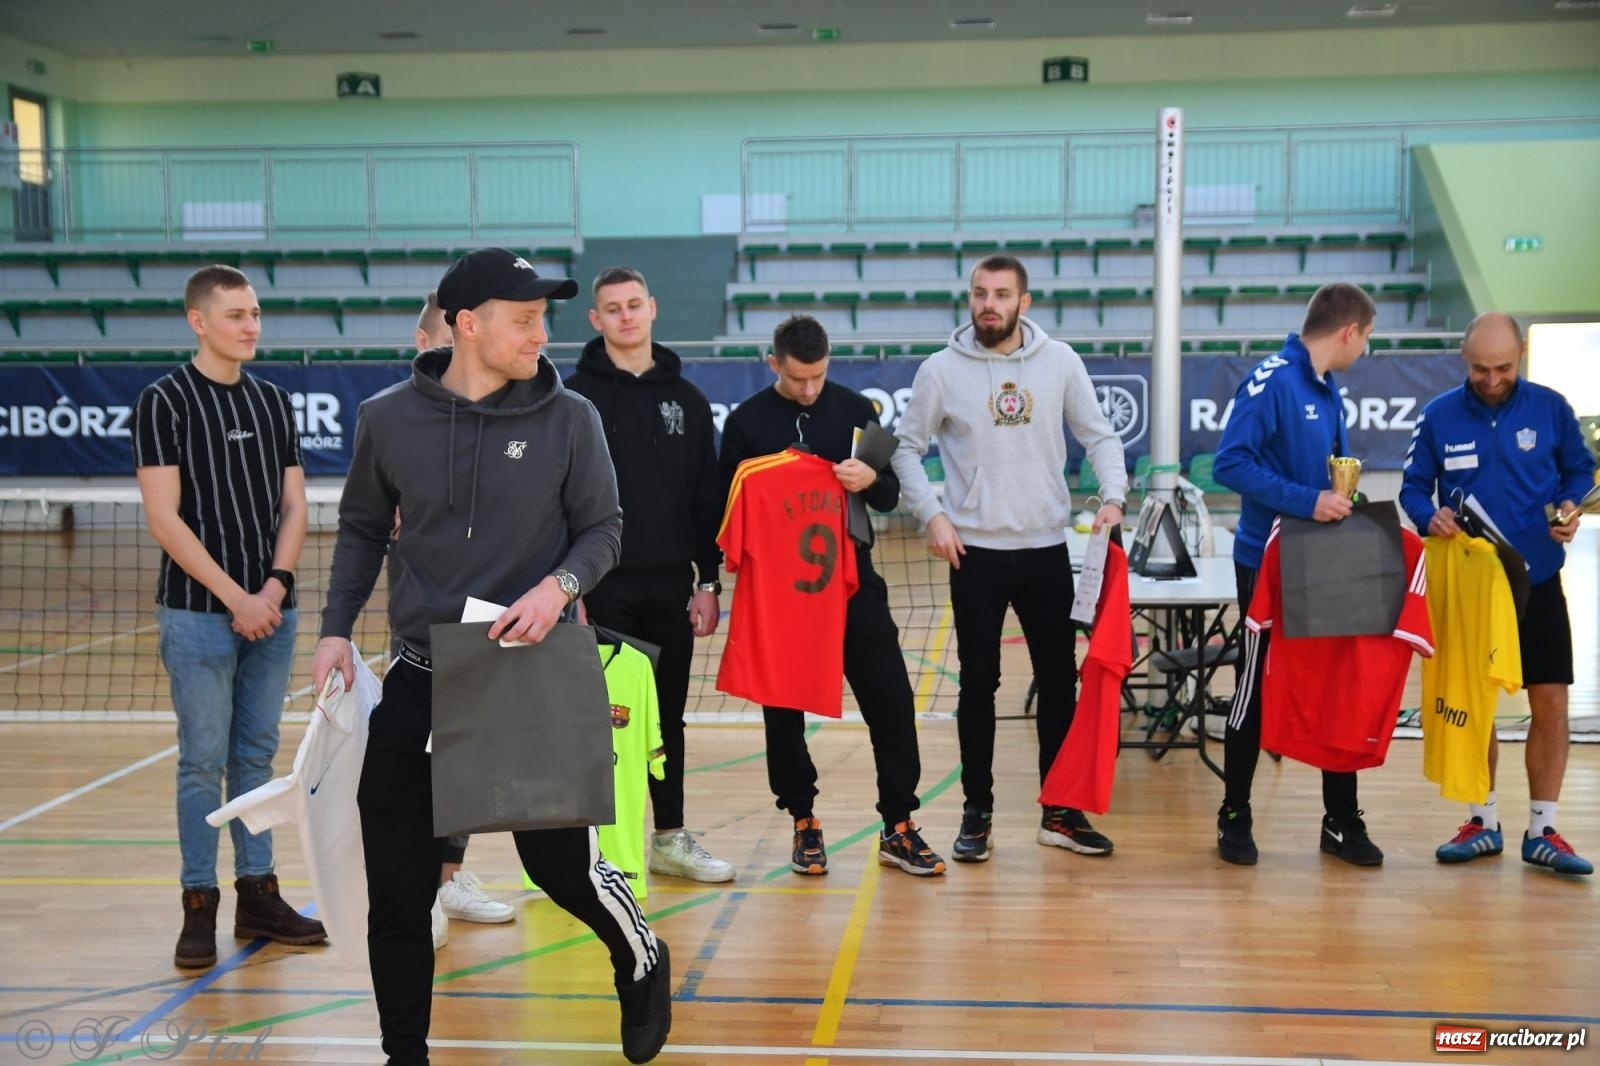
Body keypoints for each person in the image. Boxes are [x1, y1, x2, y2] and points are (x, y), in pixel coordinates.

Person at [312, 247, 670, 1065]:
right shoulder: (387, 418)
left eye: (543, 318)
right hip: (421, 676)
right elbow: (366, 527)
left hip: (531, 675)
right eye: (524, 319)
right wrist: (335, 627)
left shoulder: (571, 417)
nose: (540, 333)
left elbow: (604, 529)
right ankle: (405, 1052)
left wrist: (558, 588)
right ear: (467, 325)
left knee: (563, 872)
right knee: (399, 891)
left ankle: (639, 957)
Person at [892, 254, 1127, 864]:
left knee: (1058, 685)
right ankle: (978, 811)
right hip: (976, 554)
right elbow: (905, 452)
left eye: (1000, 294)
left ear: (1025, 302)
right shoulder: (940, 370)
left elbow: (1100, 436)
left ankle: (1060, 811)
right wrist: (933, 514)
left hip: (1048, 548)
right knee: (979, 687)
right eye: (979, 293)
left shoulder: (1060, 361)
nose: (988, 304)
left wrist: (1113, 497)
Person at [133, 264, 327, 969]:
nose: (252, 326)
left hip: (273, 614)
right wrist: (236, 598)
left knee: (256, 757)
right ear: (199, 321)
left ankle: (258, 896)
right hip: (197, 618)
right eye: (238, 315)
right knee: (201, 764)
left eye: (256, 314)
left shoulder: (275, 401)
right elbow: (164, 518)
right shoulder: (164, 402)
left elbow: (296, 506)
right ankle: (197, 904)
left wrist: (273, 587)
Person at [720, 314, 946, 877]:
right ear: (774, 364)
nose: (810, 388)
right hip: (781, 596)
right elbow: (721, 509)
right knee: (783, 710)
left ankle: (899, 824)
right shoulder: (747, 424)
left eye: (819, 376)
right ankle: (803, 820)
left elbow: (891, 495)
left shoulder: (856, 411)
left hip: (853, 583)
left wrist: (871, 481)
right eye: (798, 378)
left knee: (892, 700)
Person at [1400, 312, 1596, 876]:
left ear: (1522, 357)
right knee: (1476, 704)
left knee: (1551, 701)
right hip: (1474, 585)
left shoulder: (1551, 408)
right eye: (1481, 369)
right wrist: (1426, 514)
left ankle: (1543, 828)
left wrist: (1569, 508)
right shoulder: (1438, 415)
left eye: (1503, 368)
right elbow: (1414, 486)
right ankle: (1481, 822)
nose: (1491, 379)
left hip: (1537, 579)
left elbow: (1579, 472)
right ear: (1465, 358)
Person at [564, 267, 734, 883]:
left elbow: (703, 498)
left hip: (669, 587)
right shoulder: (572, 397)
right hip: (599, 586)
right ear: (596, 320)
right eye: (613, 308)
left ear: (653, 308)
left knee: (666, 719)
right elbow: (557, 498)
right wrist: (570, 589)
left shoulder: (685, 399)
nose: (625, 317)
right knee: (598, 722)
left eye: (634, 305)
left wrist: (708, 583)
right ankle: (597, 850)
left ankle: (669, 838)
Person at [1213, 281, 1378, 867]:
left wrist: (1338, 507)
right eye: (1367, 339)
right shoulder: (1273, 379)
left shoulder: (1329, 387)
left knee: (1338, 687)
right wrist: (1308, 502)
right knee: (1253, 687)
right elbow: (1229, 463)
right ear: (1350, 331)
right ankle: (1234, 812)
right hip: (1267, 561)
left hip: (1324, 560)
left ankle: (1340, 820)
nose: (1364, 350)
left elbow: (1332, 480)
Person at [406, 292, 518, 945]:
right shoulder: (400, 424)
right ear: (428, 345)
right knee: (421, 759)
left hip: (484, 615)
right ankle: (419, 887)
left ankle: (450, 877)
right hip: (423, 623)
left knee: (466, 754)